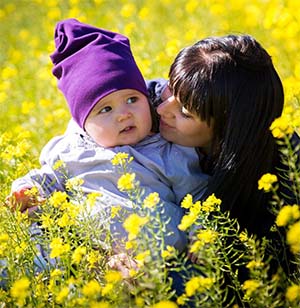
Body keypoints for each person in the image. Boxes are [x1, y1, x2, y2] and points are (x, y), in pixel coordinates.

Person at [7, 19, 209, 253]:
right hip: (98, 256)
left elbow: (196, 196)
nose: (124, 115)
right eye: (105, 109)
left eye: (132, 100)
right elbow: (49, 178)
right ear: (83, 123)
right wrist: (27, 190)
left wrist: (199, 233)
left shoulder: (169, 149)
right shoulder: (73, 148)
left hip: (167, 258)